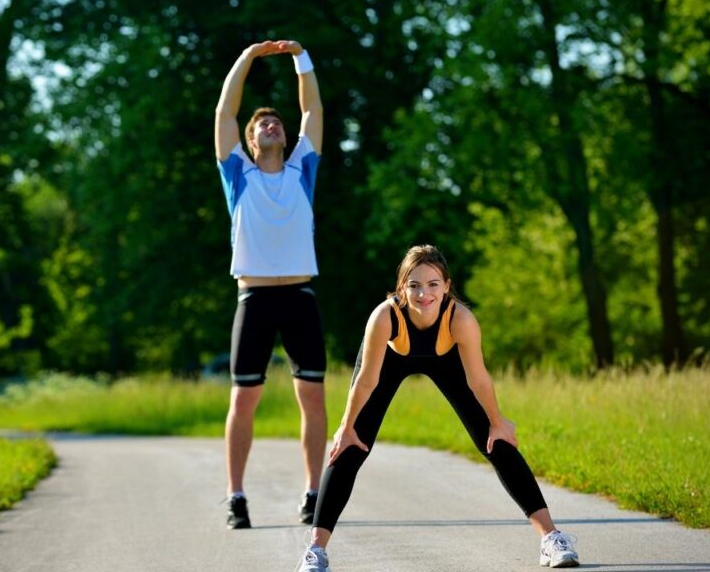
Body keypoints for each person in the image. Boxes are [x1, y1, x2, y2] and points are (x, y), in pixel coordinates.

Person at [294, 245, 581, 570]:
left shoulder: (461, 319)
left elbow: (479, 381)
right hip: (390, 360)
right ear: (402, 287)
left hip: (446, 360)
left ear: (446, 285)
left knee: (496, 439)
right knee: (350, 446)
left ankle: (551, 539)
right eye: (414, 285)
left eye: (432, 284)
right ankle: (316, 552)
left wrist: (497, 420)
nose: (423, 293)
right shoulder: (385, 317)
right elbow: (366, 381)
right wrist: (346, 426)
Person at [214, 40, 327, 530]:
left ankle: (314, 493)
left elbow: (313, 107)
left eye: (276, 121)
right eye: (262, 123)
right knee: (243, 399)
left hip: (300, 297)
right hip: (254, 298)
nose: (272, 124)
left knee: (314, 397)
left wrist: (301, 57)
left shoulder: (303, 167)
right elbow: (224, 109)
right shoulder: (237, 173)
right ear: (250, 138)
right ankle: (236, 497)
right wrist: (249, 57)